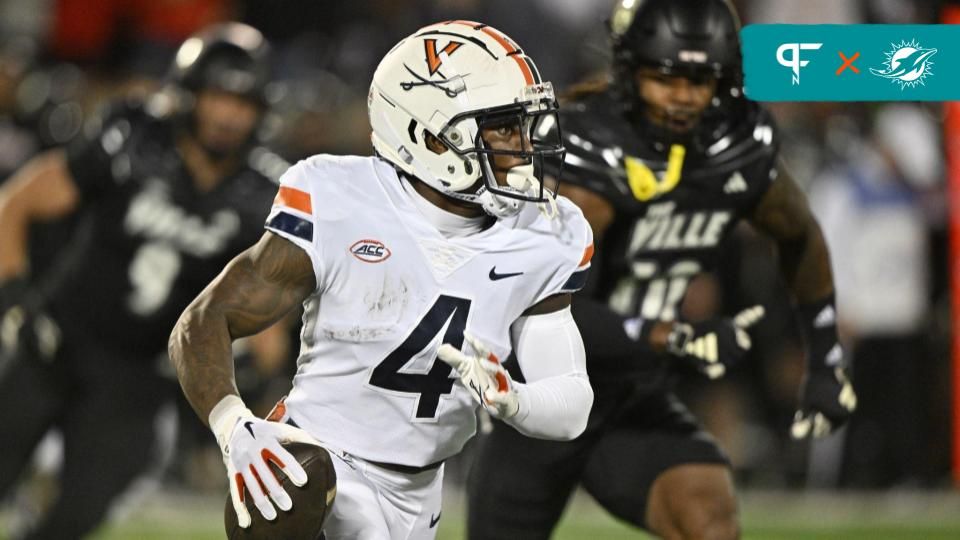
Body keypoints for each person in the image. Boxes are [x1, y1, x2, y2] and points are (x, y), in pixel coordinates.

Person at [168, 20, 595, 539]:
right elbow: (205, 319)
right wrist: (234, 425)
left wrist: (513, 400)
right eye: (502, 126)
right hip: (318, 462)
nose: (523, 145)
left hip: (420, 492)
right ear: (430, 137)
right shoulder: (341, 198)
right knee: (296, 481)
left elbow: (571, 404)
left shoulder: (546, 233)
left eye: (524, 126)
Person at [467, 1, 857, 539]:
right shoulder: (582, 151)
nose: (684, 97)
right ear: (629, 69)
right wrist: (666, 335)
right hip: (540, 390)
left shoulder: (735, 146)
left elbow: (800, 235)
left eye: (702, 79)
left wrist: (825, 357)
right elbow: (531, 302)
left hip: (632, 392)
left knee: (711, 523)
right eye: (666, 78)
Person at [0, 23, 282, 539]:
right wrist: (14, 301)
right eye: (218, 97)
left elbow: (265, 316)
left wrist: (256, 395)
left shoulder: (262, 195)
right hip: (56, 341)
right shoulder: (132, 138)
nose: (228, 115)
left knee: (74, 520)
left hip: (139, 380)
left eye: (243, 103)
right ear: (188, 95)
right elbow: (18, 206)